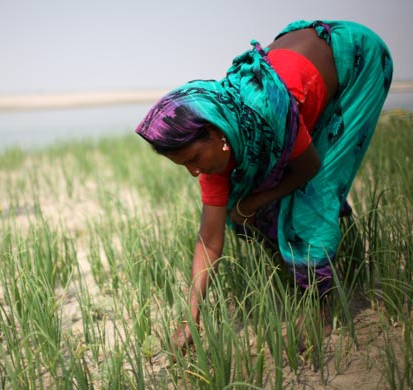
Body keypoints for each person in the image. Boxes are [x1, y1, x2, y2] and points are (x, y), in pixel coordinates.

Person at [135, 20, 392, 353]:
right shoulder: (221, 135)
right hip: (301, 76)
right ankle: (300, 271)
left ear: (217, 135)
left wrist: (258, 201)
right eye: (184, 165)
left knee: (312, 195)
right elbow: (210, 239)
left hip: (356, 61)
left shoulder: (267, 110)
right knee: (236, 205)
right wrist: (190, 316)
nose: (193, 172)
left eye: (194, 159)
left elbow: (309, 168)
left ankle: (320, 307)